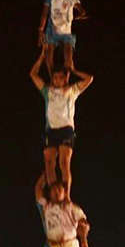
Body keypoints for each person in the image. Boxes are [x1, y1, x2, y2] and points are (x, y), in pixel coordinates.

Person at [30, 52, 93, 199]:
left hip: (66, 129)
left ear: (65, 78)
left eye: (61, 77)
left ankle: (67, 197)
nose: (58, 80)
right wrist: (40, 58)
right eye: (55, 78)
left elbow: (89, 79)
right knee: (49, 164)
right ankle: (55, 197)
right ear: (52, 79)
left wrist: (73, 70)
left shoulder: (72, 90)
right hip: (50, 130)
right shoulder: (48, 91)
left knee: (64, 163)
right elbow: (33, 75)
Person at [35, 174, 88, 247]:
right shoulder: (46, 207)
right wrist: (43, 178)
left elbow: (83, 221)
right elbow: (38, 192)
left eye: (60, 189)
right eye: (54, 190)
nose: (57, 192)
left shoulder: (72, 207)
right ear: (50, 194)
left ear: (65, 192)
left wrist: (83, 227)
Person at [38, 0, 87, 74]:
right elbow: (44, 13)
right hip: (52, 30)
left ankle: (66, 79)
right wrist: (40, 30)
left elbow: (80, 8)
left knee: (68, 54)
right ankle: (52, 78)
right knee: (49, 53)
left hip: (66, 32)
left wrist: (82, 13)